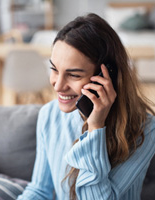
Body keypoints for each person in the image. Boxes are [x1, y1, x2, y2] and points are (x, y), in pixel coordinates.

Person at [17, 13, 155, 200]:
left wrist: (95, 128)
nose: (58, 85)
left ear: (107, 77)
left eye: (73, 75)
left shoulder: (146, 128)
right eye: (54, 69)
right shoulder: (49, 115)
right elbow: (39, 190)